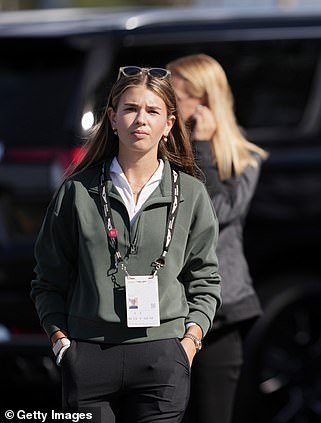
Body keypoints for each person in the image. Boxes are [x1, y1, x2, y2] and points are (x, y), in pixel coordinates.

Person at [30, 65, 222, 423]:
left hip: (164, 357)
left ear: (168, 124)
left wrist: (188, 344)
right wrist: (61, 341)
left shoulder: (192, 193)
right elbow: (48, 278)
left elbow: (205, 278)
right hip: (88, 353)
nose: (140, 120)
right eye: (130, 109)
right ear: (112, 118)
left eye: (152, 111)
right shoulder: (76, 192)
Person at [166, 53, 268, 423]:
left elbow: (213, 213)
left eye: (174, 96)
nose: (163, 103)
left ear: (204, 101)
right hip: (163, 309)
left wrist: (204, 149)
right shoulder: (158, 155)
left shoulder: (243, 159)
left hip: (220, 310)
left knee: (213, 412)